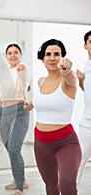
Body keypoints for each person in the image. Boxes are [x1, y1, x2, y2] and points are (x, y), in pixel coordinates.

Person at [24, 39, 81, 195]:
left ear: (62, 57)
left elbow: (69, 77)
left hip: (66, 142)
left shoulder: (69, 80)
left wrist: (66, 70)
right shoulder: (40, 81)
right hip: (41, 143)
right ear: (42, 59)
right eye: (48, 54)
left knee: (67, 183)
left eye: (57, 54)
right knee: (50, 186)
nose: (52, 58)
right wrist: (32, 104)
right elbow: (47, 102)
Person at [0, 43, 30, 195]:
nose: (13, 55)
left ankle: (19, 187)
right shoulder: (4, 73)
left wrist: (21, 72)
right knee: (10, 149)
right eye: (9, 53)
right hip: (3, 112)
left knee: (14, 149)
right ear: (6, 56)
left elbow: (24, 83)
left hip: (19, 112)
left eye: (16, 52)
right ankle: (21, 179)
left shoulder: (24, 68)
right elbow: (2, 96)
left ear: (20, 55)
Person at [76, 30, 91, 186]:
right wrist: (81, 81)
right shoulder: (86, 66)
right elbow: (88, 91)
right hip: (87, 124)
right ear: (85, 45)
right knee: (78, 161)